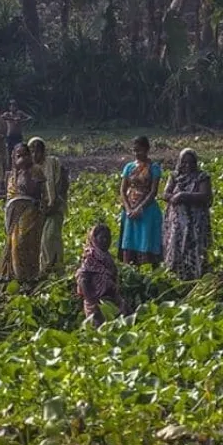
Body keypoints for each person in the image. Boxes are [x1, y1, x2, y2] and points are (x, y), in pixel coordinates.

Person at [162, 148, 212, 280]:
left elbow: (205, 196)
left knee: (194, 251)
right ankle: (176, 278)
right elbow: (165, 193)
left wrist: (184, 195)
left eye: (191, 162)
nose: (187, 165)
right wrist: (172, 197)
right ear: (179, 162)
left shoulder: (202, 177)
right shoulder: (174, 176)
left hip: (195, 224)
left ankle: (195, 278)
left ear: (196, 163)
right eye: (184, 162)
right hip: (177, 222)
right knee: (176, 248)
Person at [0, 143, 44, 283]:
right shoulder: (11, 175)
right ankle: (16, 275)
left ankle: (29, 275)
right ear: (13, 158)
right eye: (19, 156)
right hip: (14, 214)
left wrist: (25, 172)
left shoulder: (36, 171)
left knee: (26, 242)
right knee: (14, 244)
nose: (22, 158)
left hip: (30, 213)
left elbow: (35, 192)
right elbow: (9, 195)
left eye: (25, 155)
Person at [118, 136, 164, 266]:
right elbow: (122, 189)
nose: (137, 154)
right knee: (129, 242)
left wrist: (140, 208)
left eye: (140, 150)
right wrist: (128, 209)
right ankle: (130, 272)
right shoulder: (129, 167)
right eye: (135, 150)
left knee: (145, 242)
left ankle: (147, 273)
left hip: (147, 210)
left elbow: (153, 192)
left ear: (147, 149)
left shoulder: (154, 168)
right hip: (129, 210)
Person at [30, 137, 68, 274]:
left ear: (43, 152)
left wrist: (55, 201)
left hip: (55, 206)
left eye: (38, 152)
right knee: (40, 240)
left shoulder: (53, 163)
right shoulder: (31, 169)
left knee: (51, 237)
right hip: (38, 209)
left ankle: (54, 266)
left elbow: (61, 183)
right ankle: (44, 268)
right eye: (32, 152)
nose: (35, 155)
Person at [76, 223, 125, 326]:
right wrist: (93, 302)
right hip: (96, 301)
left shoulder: (107, 257)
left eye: (108, 238)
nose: (106, 241)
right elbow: (83, 280)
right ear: (94, 239)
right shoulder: (90, 258)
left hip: (110, 298)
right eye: (102, 238)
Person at [2, 100, 33, 165]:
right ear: (9, 107)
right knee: (9, 152)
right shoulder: (7, 114)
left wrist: (21, 120)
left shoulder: (20, 113)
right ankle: (10, 166)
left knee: (19, 152)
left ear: (17, 107)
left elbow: (30, 118)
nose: (13, 107)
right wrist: (13, 119)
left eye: (14, 106)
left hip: (18, 136)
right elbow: (2, 117)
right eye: (11, 106)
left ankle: (19, 165)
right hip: (10, 136)